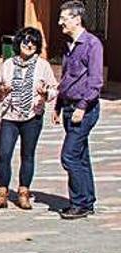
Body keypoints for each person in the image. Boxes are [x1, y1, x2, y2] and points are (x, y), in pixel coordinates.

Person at [0, 27, 58, 210]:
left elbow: (53, 89)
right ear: (19, 43)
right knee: (4, 154)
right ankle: (2, 194)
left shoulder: (43, 66)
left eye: (33, 42)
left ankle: (23, 193)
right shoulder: (8, 64)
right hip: (10, 115)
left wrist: (45, 93)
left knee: (27, 155)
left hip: (32, 116)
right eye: (26, 41)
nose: (29, 45)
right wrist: (2, 91)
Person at [53, 0, 104, 219]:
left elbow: (96, 82)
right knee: (81, 156)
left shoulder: (92, 45)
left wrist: (83, 106)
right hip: (68, 107)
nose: (60, 23)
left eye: (64, 18)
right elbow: (66, 79)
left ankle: (79, 203)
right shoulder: (69, 46)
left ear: (77, 18)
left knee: (69, 156)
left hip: (84, 109)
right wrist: (57, 105)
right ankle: (87, 201)